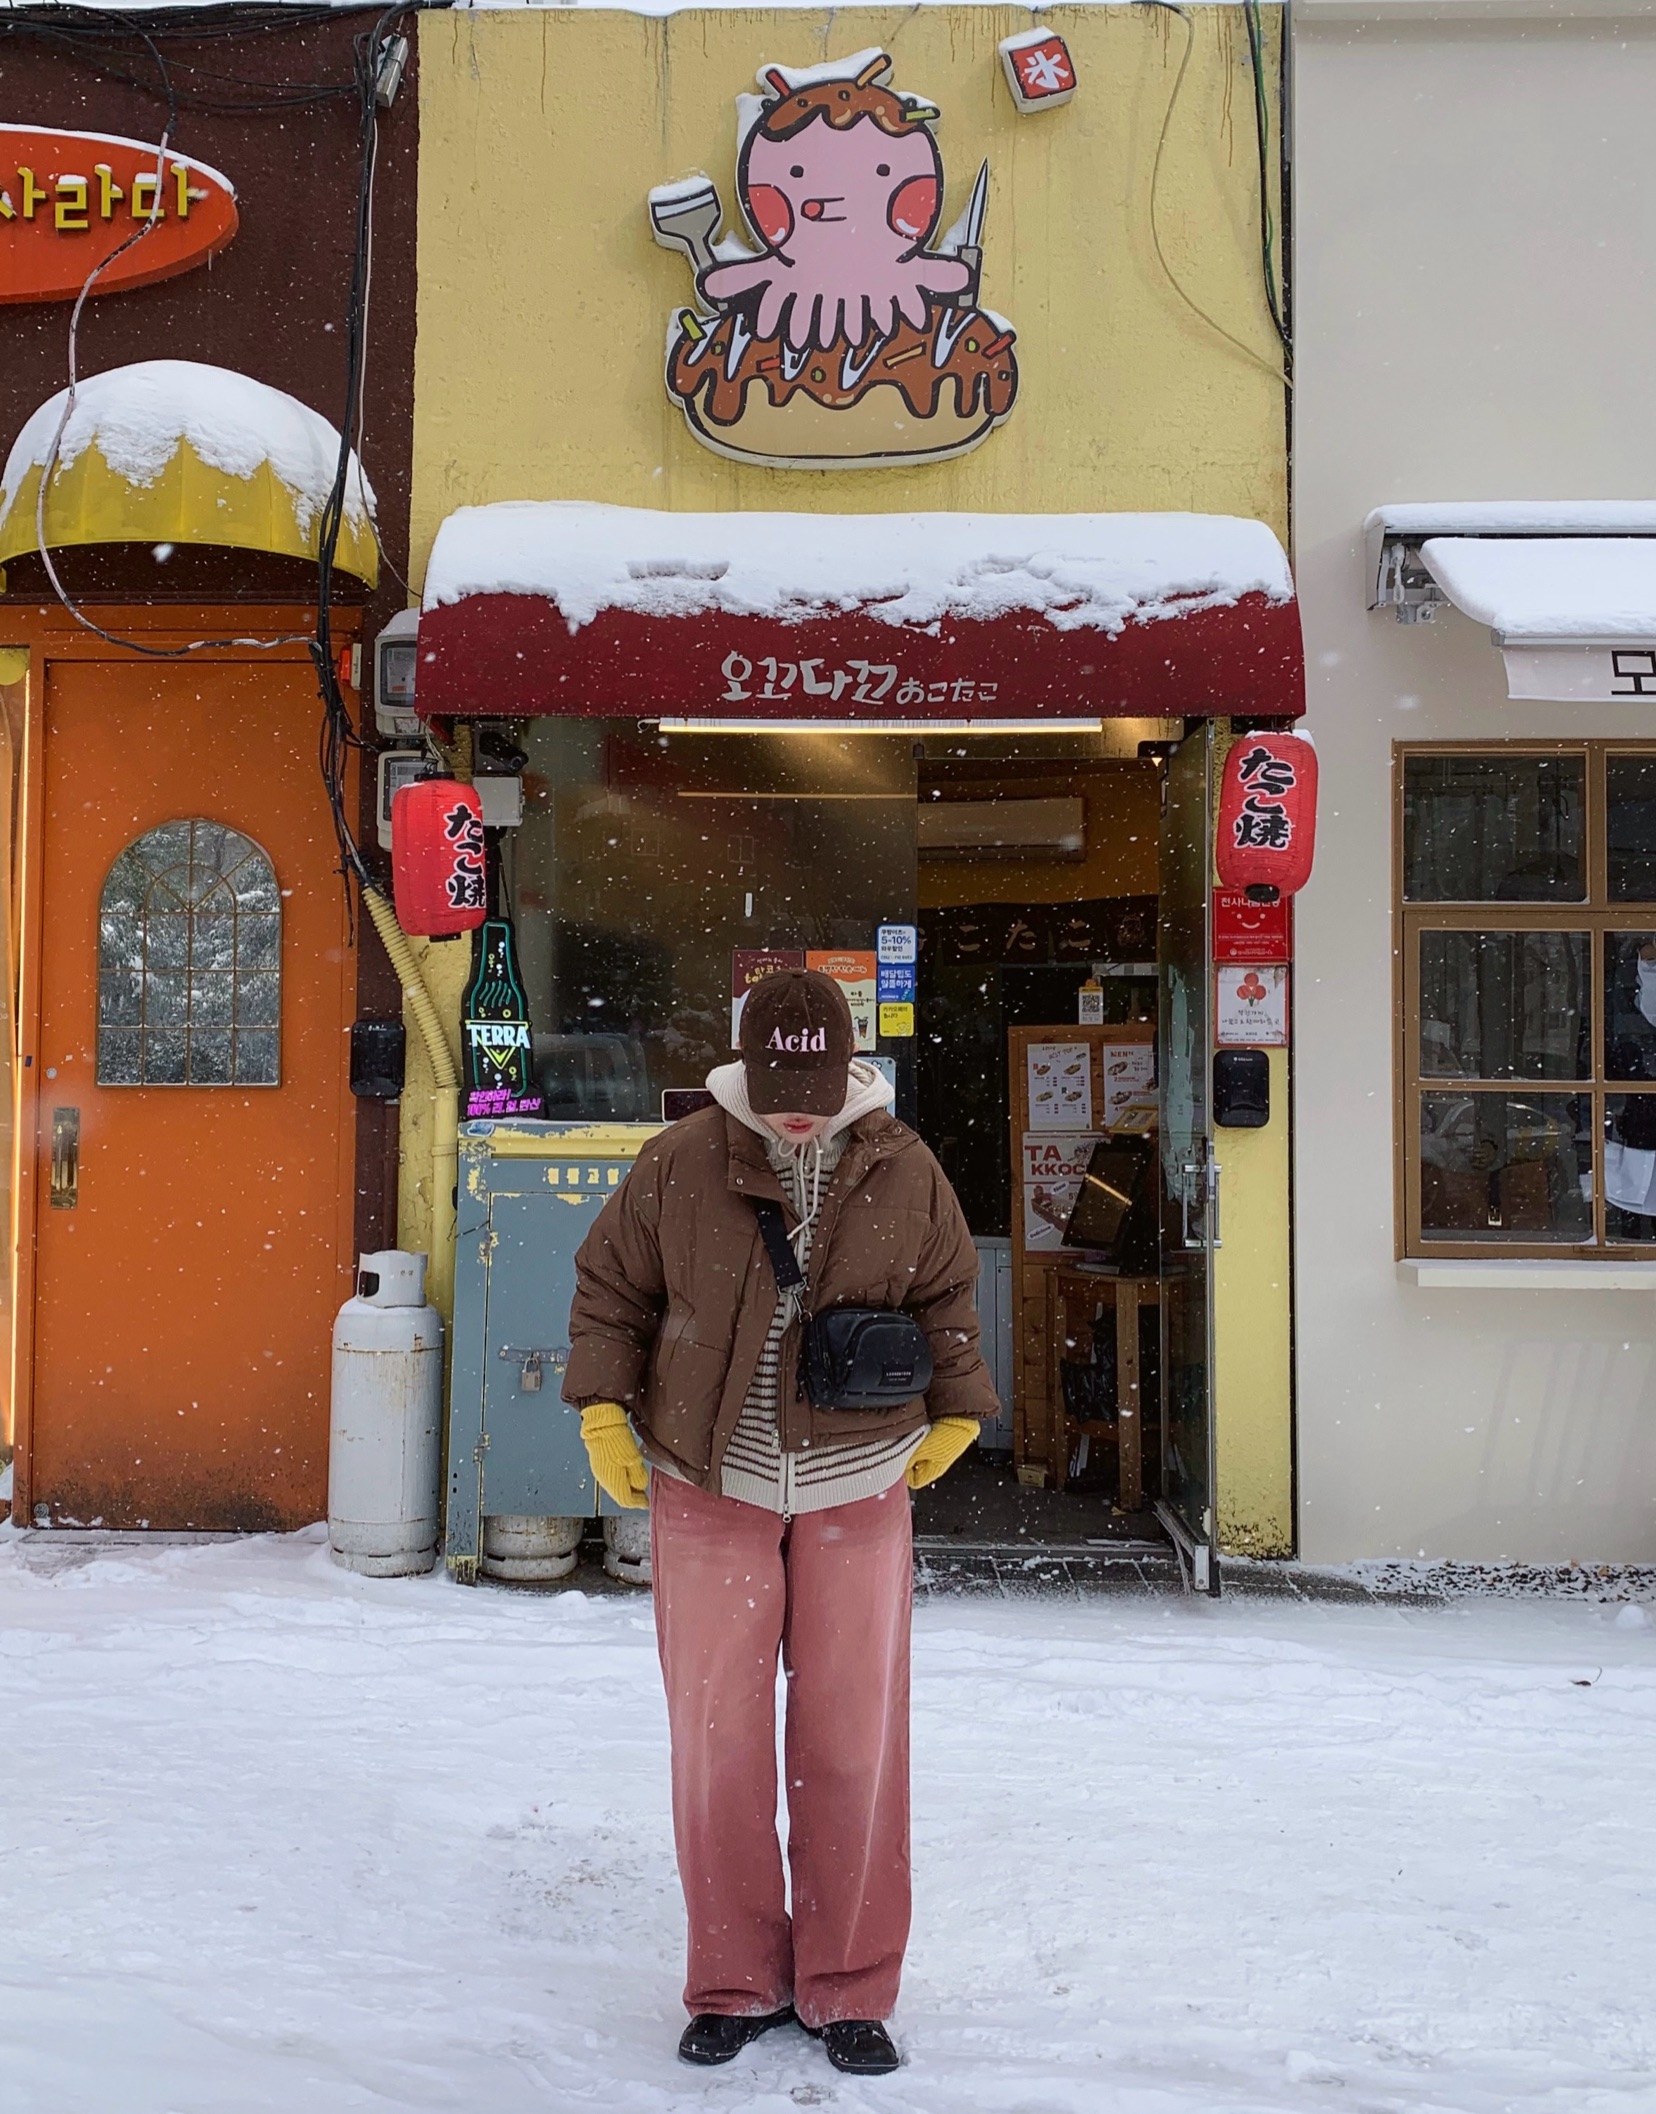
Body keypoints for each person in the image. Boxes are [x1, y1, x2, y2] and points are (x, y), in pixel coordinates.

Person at [563, 968, 996, 2077]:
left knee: (854, 1737)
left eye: (813, 1082)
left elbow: (950, 1297)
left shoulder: (905, 1164)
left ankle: (849, 1985)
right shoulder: (680, 1158)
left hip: (861, 1481)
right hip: (709, 1485)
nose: (795, 1106)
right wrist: (604, 1409)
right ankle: (734, 1979)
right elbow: (613, 1289)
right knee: (719, 1741)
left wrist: (959, 1411)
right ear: (746, 1067)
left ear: (847, 1065)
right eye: (776, 1082)